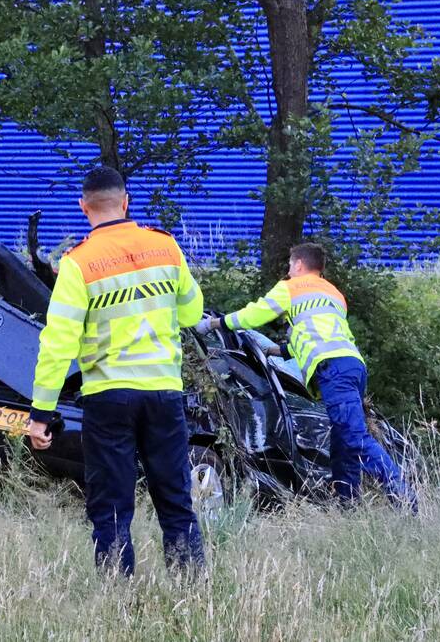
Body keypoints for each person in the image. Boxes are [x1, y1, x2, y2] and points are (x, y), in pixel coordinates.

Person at [27, 166, 207, 576]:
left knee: (110, 505)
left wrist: (41, 412)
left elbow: (58, 343)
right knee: (176, 500)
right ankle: (192, 592)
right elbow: (192, 312)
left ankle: (116, 596)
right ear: (126, 202)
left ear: (83, 207)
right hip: (164, 392)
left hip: (108, 396)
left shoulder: (78, 263)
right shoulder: (165, 247)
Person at [196, 243, 417, 512]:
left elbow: (253, 315)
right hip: (352, 365)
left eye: (290, 264)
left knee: (356, 438)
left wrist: (213, 323)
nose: (288, 270)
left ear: (299, 264)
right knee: (342, 443)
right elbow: (321, 333)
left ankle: (405, 501)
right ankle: (348, 506)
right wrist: (278, 351)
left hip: (333, 369)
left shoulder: (291, 287)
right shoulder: (333, 293)